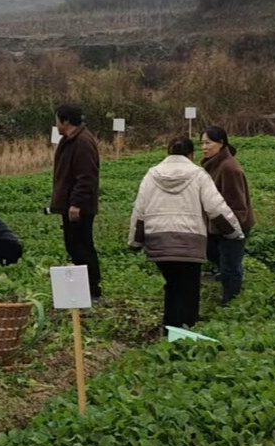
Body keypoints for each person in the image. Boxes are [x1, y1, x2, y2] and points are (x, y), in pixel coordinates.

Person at [128, 137, 243, 332]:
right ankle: (185, 333)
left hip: (159, 242)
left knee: (172, 284)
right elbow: (216, 208)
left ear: (167, 152)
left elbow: (139, 212)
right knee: (189, 289)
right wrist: (234, 233)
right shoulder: (198, 174)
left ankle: (170, 330)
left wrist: (135, 242)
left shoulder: (151, 174)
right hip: (190, 242)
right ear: (191, 155)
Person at [51, 103, 102, 300]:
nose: (55, 124)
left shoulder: (82, 141)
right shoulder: (71, 139)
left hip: (78, 208)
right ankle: (84, 289)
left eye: (57, 120)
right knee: (74, 245)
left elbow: (87, 177)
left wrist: (76, 203)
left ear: (65, 121)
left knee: (82, 246)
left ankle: (92, 289)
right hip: (71, 205)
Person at [201, 125, 254, 304]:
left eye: (208, 143)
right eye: (202, 143)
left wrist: (232, 232)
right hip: (218, 225)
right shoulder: (215, 164)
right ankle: (227, 280)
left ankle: (231, 302)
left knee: (231, 266)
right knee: (213, 254)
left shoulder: (229, 168)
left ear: (221, 144)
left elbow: (238, 206)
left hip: (233, 226)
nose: (204, 147)